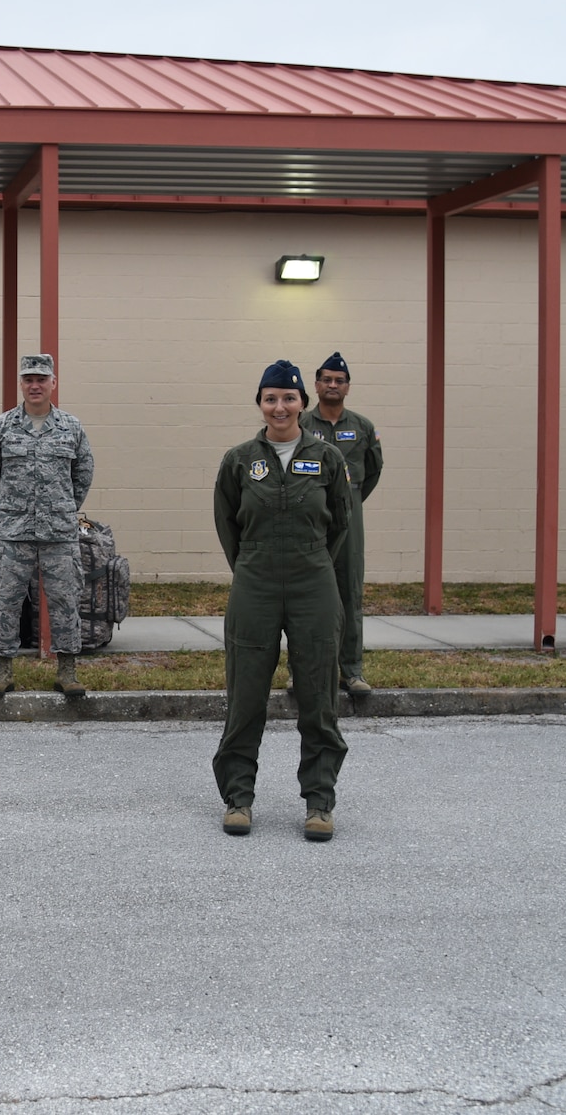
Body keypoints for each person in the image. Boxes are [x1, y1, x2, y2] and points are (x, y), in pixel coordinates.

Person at [212, 359, 352, 842]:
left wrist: (309, 561)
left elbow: (340, 525)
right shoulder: (238, 459)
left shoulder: (328, 459)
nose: (279, 406)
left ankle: (319, 802)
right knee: (245, 693)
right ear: (260, 403)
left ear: (303, 403)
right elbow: (227, 522)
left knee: (318, 694)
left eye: (288, 398)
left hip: (313, 580)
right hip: (254, 582)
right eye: (270, 398)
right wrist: (253, 564)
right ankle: (238, 798)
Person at [0, 353, 96, 700]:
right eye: (28, 379)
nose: (35, 385)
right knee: (6, 600)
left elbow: (83, 474)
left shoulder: (71, 427)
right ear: (21, 384)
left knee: (65, 599)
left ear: (53, 383)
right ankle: (2, 671)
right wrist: (12, 502)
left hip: (58, 531)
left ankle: (68, 671)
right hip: (14, 531)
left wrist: (63, 505)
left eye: (42, 379)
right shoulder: (2, 427)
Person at [298, 351, 383, 701]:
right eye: (327, 380)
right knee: (306, 596)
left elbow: (373, 471)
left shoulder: (361, 427)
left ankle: (352, 672)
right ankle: (306, 674)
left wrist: (350, 501)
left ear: (348, 387)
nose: (333, 385)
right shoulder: (301, 424)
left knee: (350, 592)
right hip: (309, 516)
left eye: (340, 380)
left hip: (349, 517)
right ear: (316, 385)